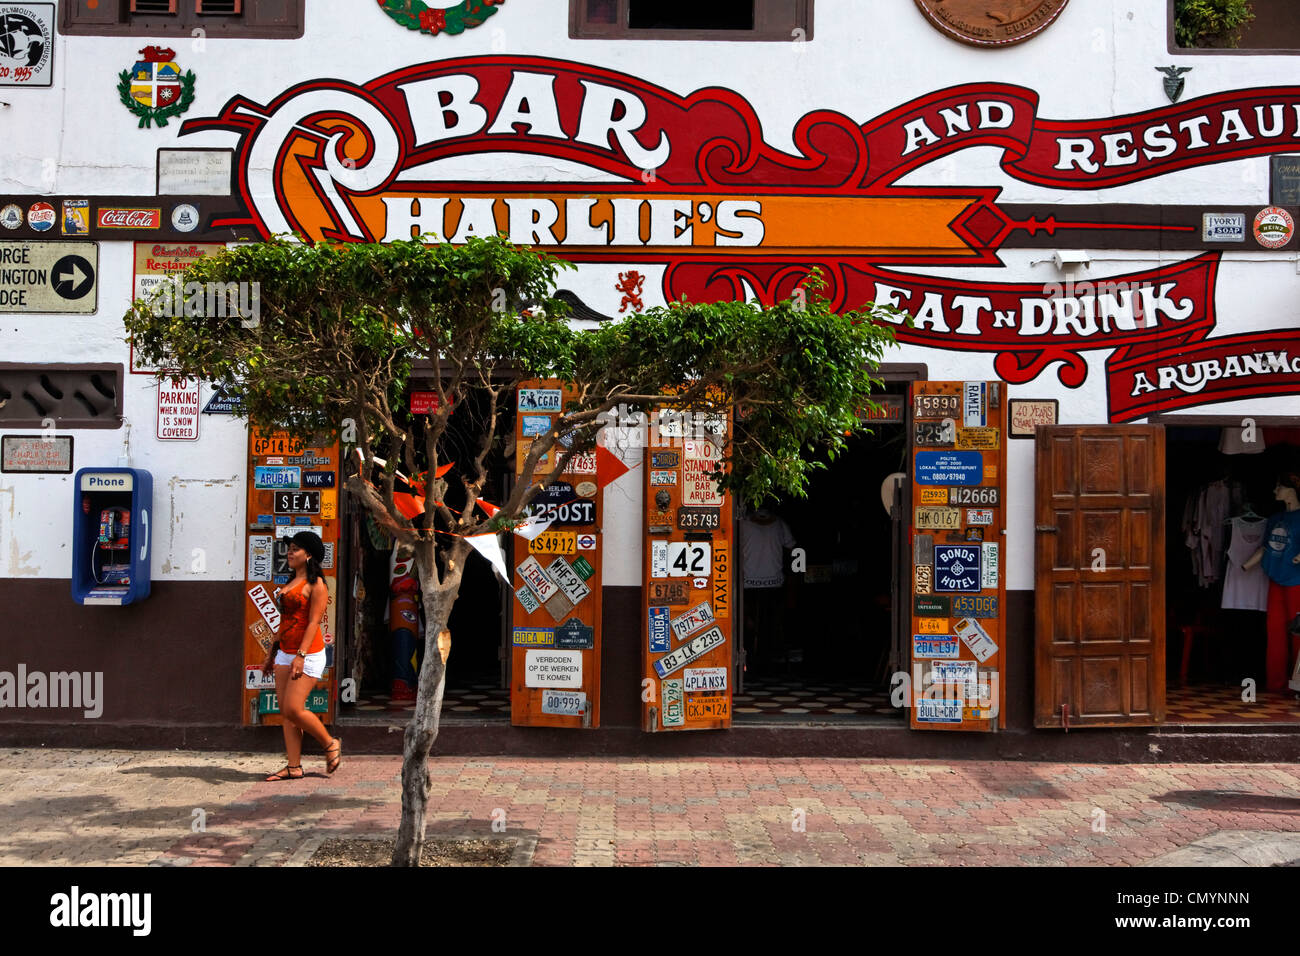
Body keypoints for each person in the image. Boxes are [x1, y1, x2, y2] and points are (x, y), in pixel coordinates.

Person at [262, 531, 341, 780]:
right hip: (284, 653)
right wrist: (271, 654)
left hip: (307, 654)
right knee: (286, 713)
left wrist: (301, 656)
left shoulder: (316, 584)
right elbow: (284, 621)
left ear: (308, 554)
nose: (290, 552)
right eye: (290, 548)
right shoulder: (290, 582)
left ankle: (330, 743)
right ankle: (294, 766)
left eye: (295, 549)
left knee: (294, 709)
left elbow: (313, 622)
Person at [1242, 474, 1300, 693]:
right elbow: (1266, 548)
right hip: (1275, 578)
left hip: (1297, 581)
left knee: (1297, 632)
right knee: (1274, 630)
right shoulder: (1275, 519)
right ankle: (1276, 684)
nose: (1275, 490)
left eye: (1279, 486)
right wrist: (1246, 565)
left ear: (1292, 490)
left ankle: (1297, 683)